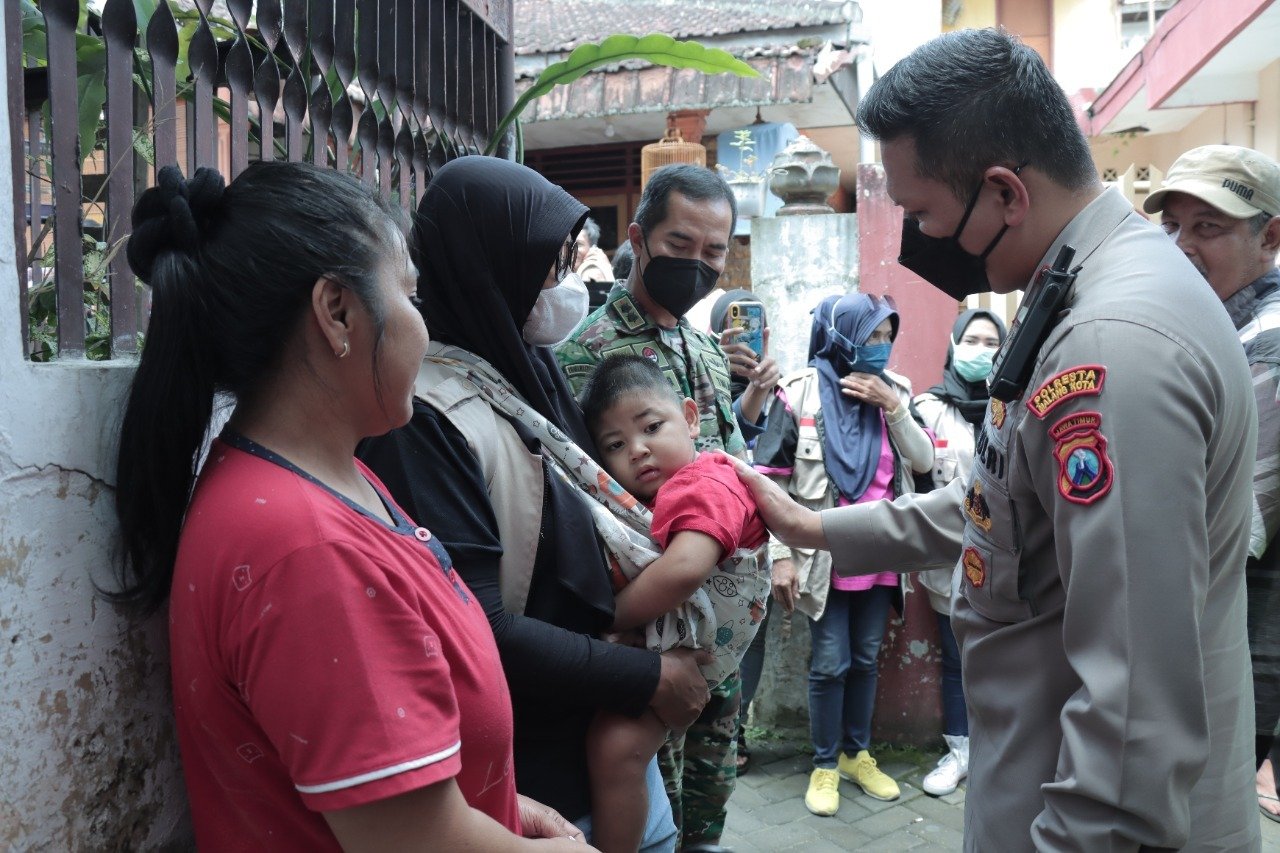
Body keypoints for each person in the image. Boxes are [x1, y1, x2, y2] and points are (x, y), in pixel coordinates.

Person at [728, 27, 1261, 851]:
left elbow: (1132, 720)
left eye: (923, 214)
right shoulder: (1079, 290)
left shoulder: (1111, 343)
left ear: (1006, 193)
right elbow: (1001, 506)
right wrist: (811, 525)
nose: (917, 239)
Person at [110, 162, 586, 850]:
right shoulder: (306, 548)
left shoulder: (326, 477)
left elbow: (390, 775)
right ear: (337, 311)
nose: (423, 323)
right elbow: (415, 840)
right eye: (410, 295)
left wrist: (502, 806)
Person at [358, 156, 709, 851]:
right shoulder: (423, 419)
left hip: (606, 736)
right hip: (539, 792)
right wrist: (646, 673)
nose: (566, 286)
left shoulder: (528, 368)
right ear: (490, 268)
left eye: (565, 263)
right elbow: (478, 625)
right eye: (549, 268)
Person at [557, 163, 750, 851]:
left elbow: (735, 460)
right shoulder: (583, 353)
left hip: (721, 621)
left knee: (711, 799)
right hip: (648, 630)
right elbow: (580, 495)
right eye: (680, 245)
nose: (697, 264)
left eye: (714, 251)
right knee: (651, 799)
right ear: (638, 239)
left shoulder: (707, 350)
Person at [752, 293, 933, 817]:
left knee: (865, 657)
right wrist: (780, 556)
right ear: (841, 334)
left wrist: (893, 408)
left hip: (881, 553)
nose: (881, 346)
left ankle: (857, 755)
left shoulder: (898, 391)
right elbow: (770, 482)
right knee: (831, 662)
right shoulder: (799, 393)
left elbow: (923, 462)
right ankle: (825, 764)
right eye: (871, 334)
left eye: (887, 336)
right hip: (825, 557)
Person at [579, 355, 769, 853]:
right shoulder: (662, 495)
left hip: (698, 650)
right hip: (679, 647)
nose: (637, 450)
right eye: (615, 445)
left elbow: (684, 569)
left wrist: (609, 617)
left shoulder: (707, 482)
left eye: (651, 428)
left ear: (690, 417)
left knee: (616, 749)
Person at [1143, 144, 1280, 822]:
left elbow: (1241, 519)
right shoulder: (1217, 325)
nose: (1181, 247)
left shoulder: (1268, 340)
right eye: (1172, 226)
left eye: (1209, 227)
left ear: (1270, 236)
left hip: (1241, 632)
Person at [912, 309, 1006, 797]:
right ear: (953, 344)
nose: (981, 350)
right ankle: (961, 751)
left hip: (1007, 560)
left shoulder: (1015, 401)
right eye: (971, 340)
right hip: (949, 560)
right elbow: (915, 479)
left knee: (1004, 657)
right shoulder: (926, 408)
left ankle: (1001, 752)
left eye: (991, 342)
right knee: (955, 658)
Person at [707, 288, 782, 774]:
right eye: (734, 324)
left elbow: (766, 458)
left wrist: (759, 389)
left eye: (754, 326)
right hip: (709, 537)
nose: (745, 336)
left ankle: (735, 730)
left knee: (749, 640)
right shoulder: (698, 371)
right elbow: (715, 442)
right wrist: (716, 363)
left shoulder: (780, 388)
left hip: (754, 543)